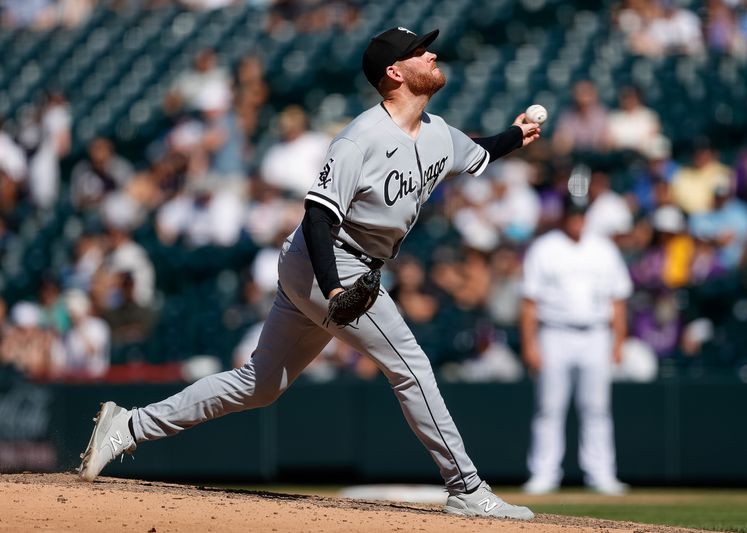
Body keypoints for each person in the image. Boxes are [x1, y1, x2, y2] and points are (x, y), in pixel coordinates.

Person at [78, 27, 540, 520]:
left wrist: (518, 133)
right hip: (329, 259)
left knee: (259, 384)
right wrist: (334, 286)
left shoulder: (440, 135)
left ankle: (127, 427)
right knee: (411, 366)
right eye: (419, 51)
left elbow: (482, 151)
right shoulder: (360, 137)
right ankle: (467, 487)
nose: (432, 53)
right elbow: (318, 215)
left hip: (336, 266)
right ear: (395, 71)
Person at [520, 195, 632, 496]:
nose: (577, 220)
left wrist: (618, 342)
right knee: (549, 407)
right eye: (572, 215)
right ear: (564, 217)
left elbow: (618, 300)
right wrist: (530, 343)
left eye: (581, 215)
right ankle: (543, 474)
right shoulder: (545, 248)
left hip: (596, 333)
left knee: (596, 408)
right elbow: (530, 302)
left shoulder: (604, 249)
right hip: (554, 332)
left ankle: (602, 474)